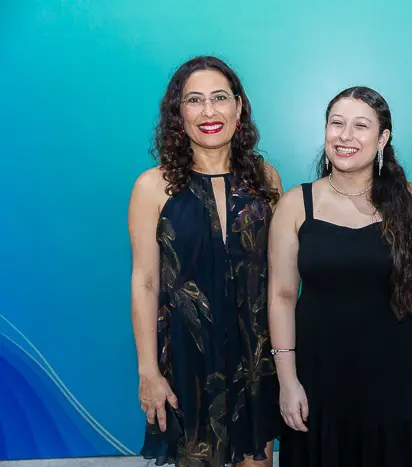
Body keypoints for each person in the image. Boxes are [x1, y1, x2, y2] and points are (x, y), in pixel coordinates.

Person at [267, 86, 412, 467]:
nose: (346, 136)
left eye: (361, 126)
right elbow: (281, 296)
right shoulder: (296, 204)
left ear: (383, 138)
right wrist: (287, 380)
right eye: (336, 123)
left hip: (390, 375)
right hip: (316, 376)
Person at [128, 56, 283, 467]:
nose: (209, 111)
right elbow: (145, 282)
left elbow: (280, 281)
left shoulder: (267, 179)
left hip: (255, 359)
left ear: (238, 107)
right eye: (194, 100)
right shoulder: (152, 187)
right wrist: (148, 372)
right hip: (188, 362)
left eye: (220, 98)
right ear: (178, 114)